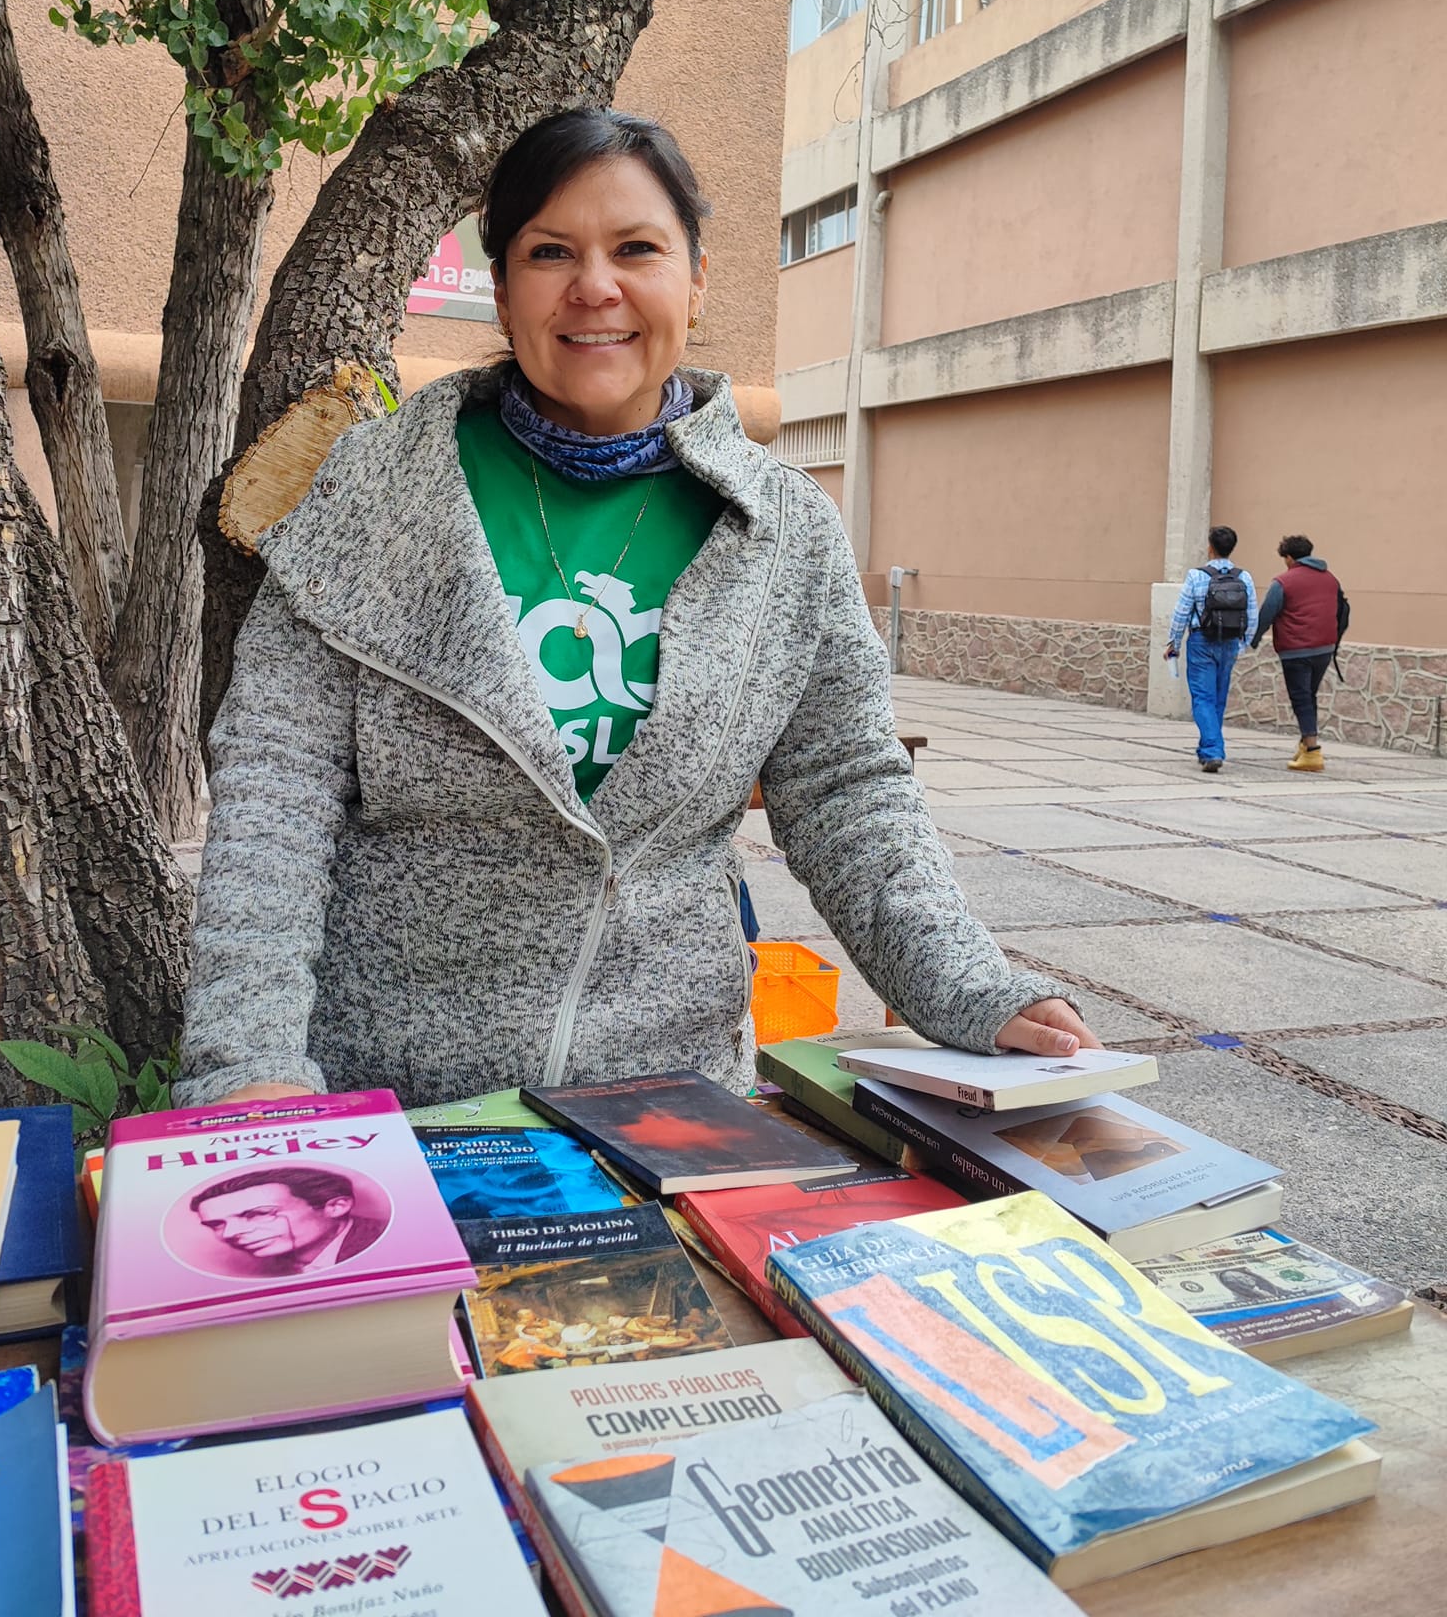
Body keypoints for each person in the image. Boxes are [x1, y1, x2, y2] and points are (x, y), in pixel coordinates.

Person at [176, 108, 1097, 1111]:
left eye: (638, 249)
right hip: (395, 1099)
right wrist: (250, 1058)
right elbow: (275, 793)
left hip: (670, 1107)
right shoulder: (370, 493)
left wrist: (966, 985)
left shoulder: (784, 531)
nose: (595, 286)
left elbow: (849, 791)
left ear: (696, 280)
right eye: (550, 252)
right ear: (502, 287)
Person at [1163, 526, 1258, 773]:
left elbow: (1181, 612)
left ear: (1210, 547)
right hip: (1229, 643)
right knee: (1218, 698)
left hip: (1201, 641)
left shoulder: (1197, 576)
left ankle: (1213, 750)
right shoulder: (1244, 577)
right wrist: (1242, 644)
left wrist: (1173, 643)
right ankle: (1207, 749)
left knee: (1202, 698)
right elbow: (1252, 616)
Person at [1251, 536, 1348, 772]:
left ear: (1289, 558)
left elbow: (1267, 614)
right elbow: (1342, 610)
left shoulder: (1283, 582)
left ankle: (1313, 753)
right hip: (1324, 648)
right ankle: (1305, 746)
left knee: (1301, 698)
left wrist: (1252, 639)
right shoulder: (1330, 579)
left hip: (1296, 649)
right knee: (1309, 696)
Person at [188, 1166, 386, 1273]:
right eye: (216, 1224)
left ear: (335, 1207)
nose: (230, 1233)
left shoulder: (386, 1246)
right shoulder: (268, 1267)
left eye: (258, 1214)